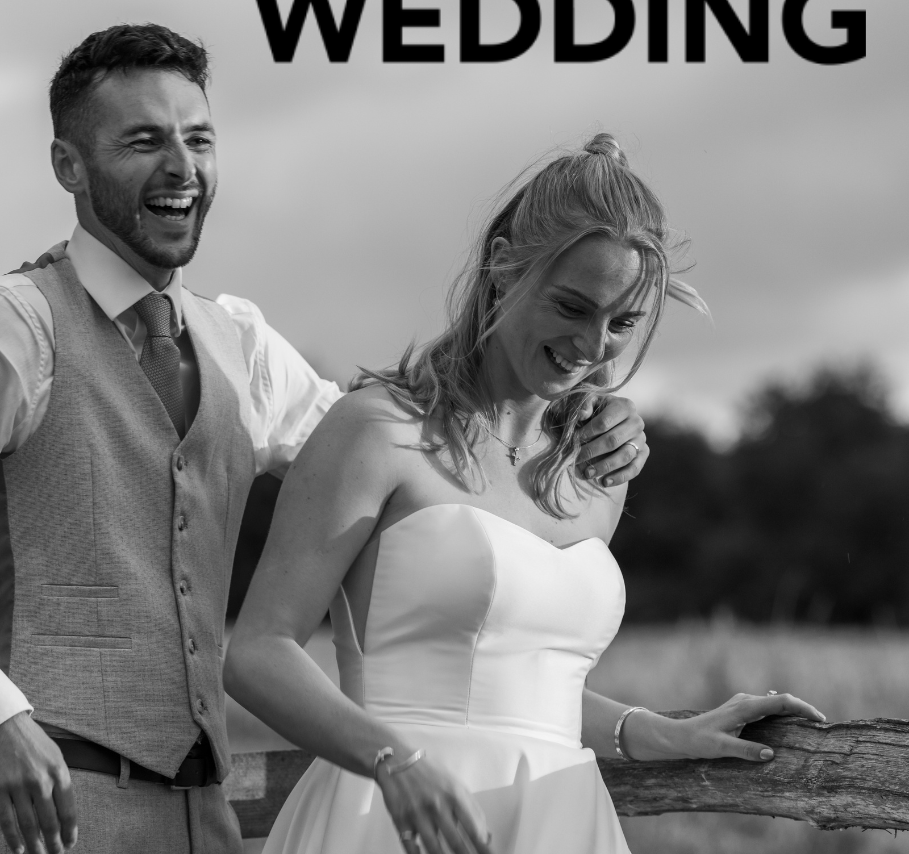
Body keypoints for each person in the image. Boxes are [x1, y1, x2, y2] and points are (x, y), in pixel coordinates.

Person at [0, 26, 650, 854]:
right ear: (68, 166)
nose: (181, 168)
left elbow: (426, 456)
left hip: (205, 820)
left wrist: (574, 418)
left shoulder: (243, 347)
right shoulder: (8, 326)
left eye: (199, 139)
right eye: (144, 141)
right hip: (47, 815)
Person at [224, 133, 825, 854]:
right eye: (573, 307)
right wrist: (391, 760)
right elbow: (257, 651)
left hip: (560, 823)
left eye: (623, 323)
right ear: (505, 268)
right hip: (392, 820)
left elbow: (525, 694)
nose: (594, 346)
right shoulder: (376, 430)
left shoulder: (592, 475)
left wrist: (662, 731)